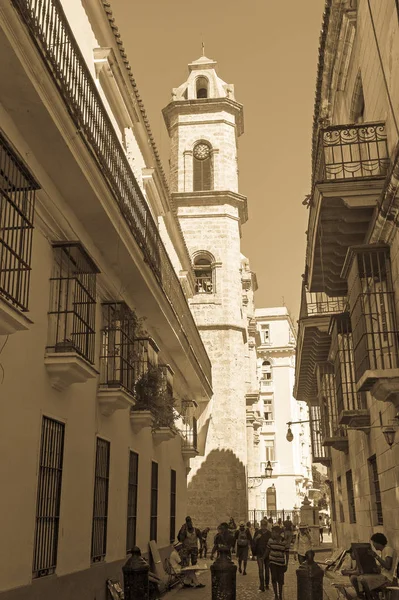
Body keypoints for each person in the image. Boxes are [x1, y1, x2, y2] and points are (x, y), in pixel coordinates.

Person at [350, 533, 397, 599]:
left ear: (378, 542)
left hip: (387, 578)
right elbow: (382, 568)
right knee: (354, 578)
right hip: (381, 576)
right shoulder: (383, 552)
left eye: (373, 543)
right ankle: (361, 596)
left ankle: (368, 597)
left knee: (363, 580)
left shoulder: (388, 549)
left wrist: (375, 556)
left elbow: (388, 566)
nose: (373, 545)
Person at [266, 525, 287, 600]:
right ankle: (276, 595)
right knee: (274, 578)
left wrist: (286, 564)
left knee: (280, 580)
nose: (272, 534)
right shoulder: (270, 540)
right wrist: (263, 558)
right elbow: (268, 550)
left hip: (281, 563)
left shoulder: (284, 541)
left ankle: (280, 595)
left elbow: (286, 553)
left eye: (273, 532)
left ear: (278, 533)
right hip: (272, 562)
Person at [253, 519, 272, 592]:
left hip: (267, 554)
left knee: (267, 570)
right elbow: (253, 542)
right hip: (259, 553)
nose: (263, 526)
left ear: (266, 525)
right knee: (260, 570)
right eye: (262, 525)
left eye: (264, 525)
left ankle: (266, 584)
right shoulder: (257, 532)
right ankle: (261, 585)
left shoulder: (269, 533)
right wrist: (256, 538)